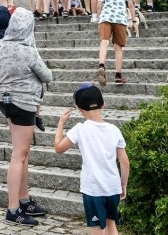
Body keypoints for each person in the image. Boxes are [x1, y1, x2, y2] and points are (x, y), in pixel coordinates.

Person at [0, 8, 53, 226]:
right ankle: (13, 209)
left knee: (23, 153)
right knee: (18, 155)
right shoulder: (28, 51)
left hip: (5, 101)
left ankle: (24, 199)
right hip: (24, 104)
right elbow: (47, 76)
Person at [55, 83, 130, 235]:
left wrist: (61, 123)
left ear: (78, 108)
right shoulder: (114, 130)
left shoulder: (80, 129)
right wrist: (123, 185)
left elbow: (58, 148)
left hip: (93, 189)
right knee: (111, 225)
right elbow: (125, 162)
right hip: (112, 187)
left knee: (96, 229)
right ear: (103, 104)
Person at [96, 0, 136, 86]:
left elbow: (98, 7)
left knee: (104, 42)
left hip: (105, 17)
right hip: (120, 19)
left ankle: (101, 65)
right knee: (118, 48)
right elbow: (130, 4)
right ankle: (118, 76)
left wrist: (99, 19)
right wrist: (134, 21)